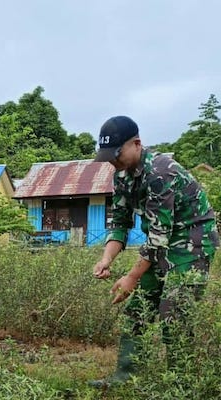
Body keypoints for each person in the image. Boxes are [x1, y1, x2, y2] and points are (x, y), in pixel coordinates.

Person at [90, 116, 219, 388]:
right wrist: (106, 258)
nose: (113, 162)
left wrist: (131, 278)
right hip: (161, 242)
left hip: (192, 244)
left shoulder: (161, 172)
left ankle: (181, 386)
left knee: (174, 313)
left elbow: (159, 236)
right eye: (108, 157)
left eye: (117, 155)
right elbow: (121, 223)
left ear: (136, 144)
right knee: (137, 311)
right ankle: (125, 376)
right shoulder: (122, 175)